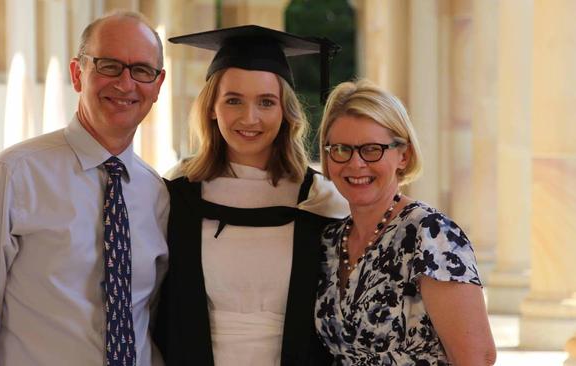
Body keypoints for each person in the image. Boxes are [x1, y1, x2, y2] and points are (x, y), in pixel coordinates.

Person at [0, 10, 168, 366]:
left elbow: (149, 321)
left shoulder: (157, 195)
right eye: (109, 65)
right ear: (78, 74)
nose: (125, 84)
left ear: (157, 85)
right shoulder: (14, 176)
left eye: (141, 70)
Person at [153, 25, 348, 365]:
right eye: (233, 101)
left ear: (285, 111)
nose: (250, 117)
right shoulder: (177, 195)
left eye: (266, 102)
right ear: (211, 107)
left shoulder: (319, 200)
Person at [314, 79, 497, 365]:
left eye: (372, 149)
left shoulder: (432, 236)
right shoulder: (330, 241)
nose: (355, 163)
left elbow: (477, 358)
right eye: (341, 149)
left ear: (404, 155)